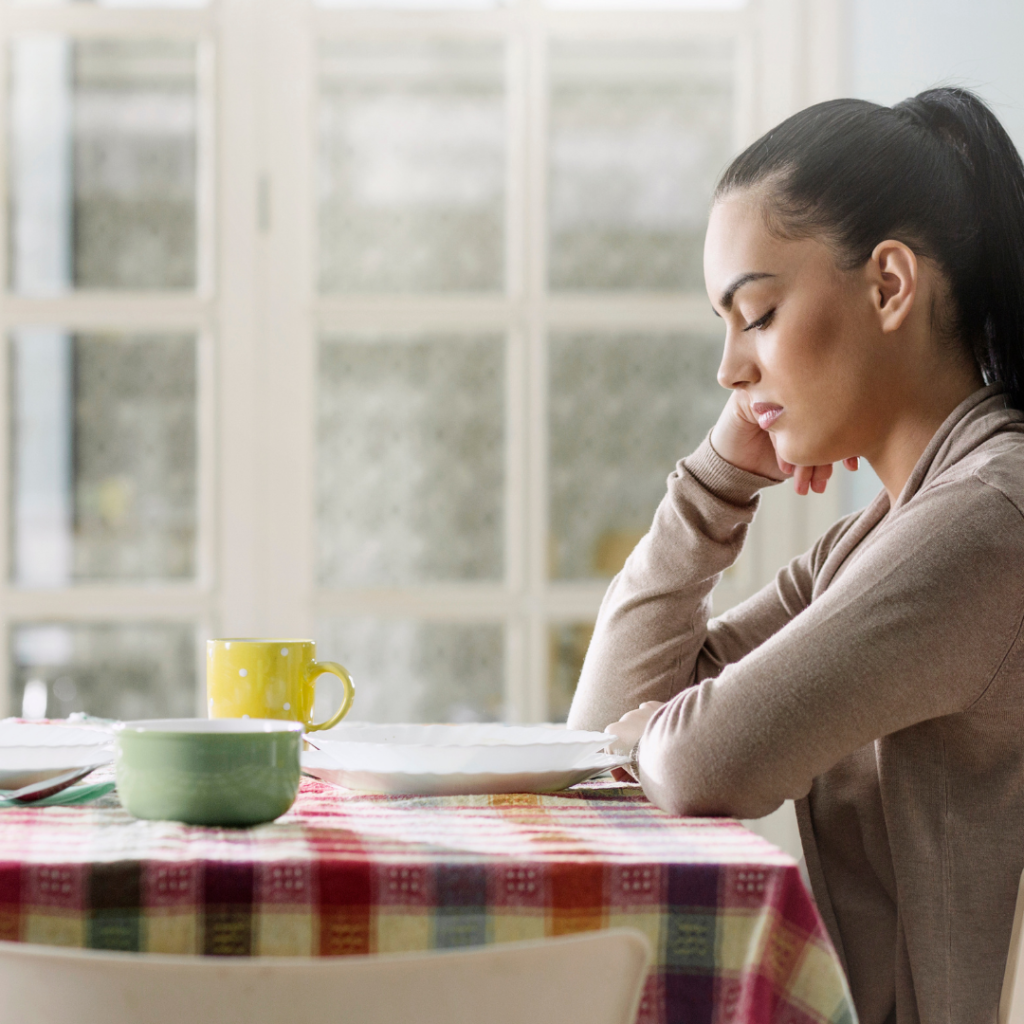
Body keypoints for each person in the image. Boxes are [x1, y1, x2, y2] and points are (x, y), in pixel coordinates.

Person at [566, 87, 1024, 1024]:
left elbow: (703, 763)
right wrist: (713, 484)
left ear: (890, 285)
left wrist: (656, 736)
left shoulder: (989, 517)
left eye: (760, 314)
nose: (730, 371)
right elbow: (603, 729)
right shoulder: (888, 533)